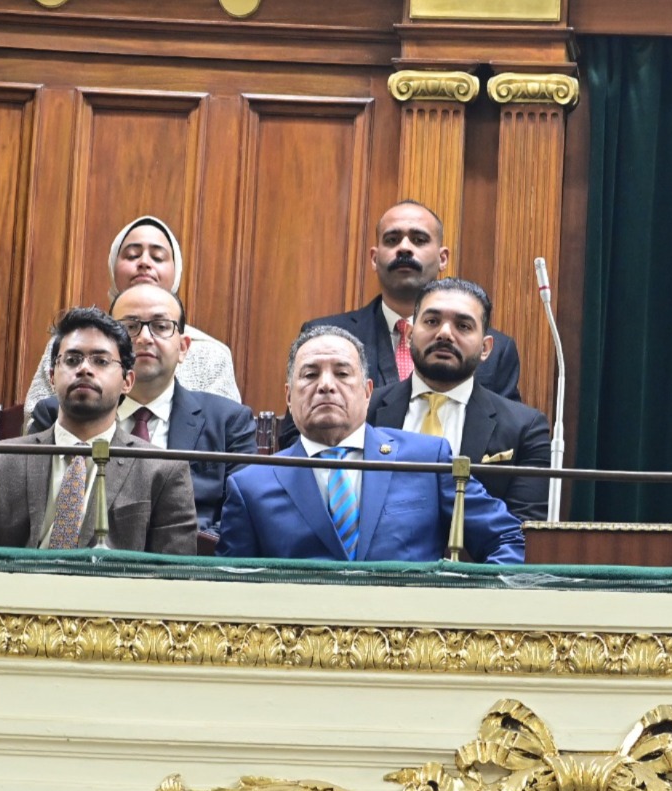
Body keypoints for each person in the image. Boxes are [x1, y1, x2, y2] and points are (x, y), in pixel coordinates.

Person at [218, 326, 525, 563]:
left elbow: (506, 538)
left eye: (342, 373)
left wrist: (470, 610)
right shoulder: (250, 487)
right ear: (288, 396)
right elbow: (231, 587)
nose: (326, 385)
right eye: (310, 374)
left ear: (367, 392)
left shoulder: (426, 459)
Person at [0, 308, 197, 553]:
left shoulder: (162, 471)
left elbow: (174, 575)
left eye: (101, 361)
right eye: (72, 360)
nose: (84, 369)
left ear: (127, 381)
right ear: (52, 377)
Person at [30, 285, 257, 536]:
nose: (145, 338)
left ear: (183, 347)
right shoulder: (56, 413)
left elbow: (240, 515)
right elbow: (29, 503)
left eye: (160, 326)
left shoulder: (228, 421)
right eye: (130, 326)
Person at [367, 279, 550, 523]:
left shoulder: (525, 428)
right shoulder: (363, 410)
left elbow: (523, 527)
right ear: (409, 335)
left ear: (485, 348)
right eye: (432, 321)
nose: (444, 333)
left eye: (463, 326)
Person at [301, 200, 520, 401]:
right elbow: (299, 425)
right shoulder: (325, 337)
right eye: (392, 240)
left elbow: (507, 425)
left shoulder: (496, 350)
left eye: (419, 240)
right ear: (374, 259)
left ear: (442, 258)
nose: (404, 248)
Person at [24, 216, 240, 417]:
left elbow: (220, 427)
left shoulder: (211, 355)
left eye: (158, 257)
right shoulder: (70, 344)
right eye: (132, 255)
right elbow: (37, 421)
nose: (144, 263)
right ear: (112, 267)